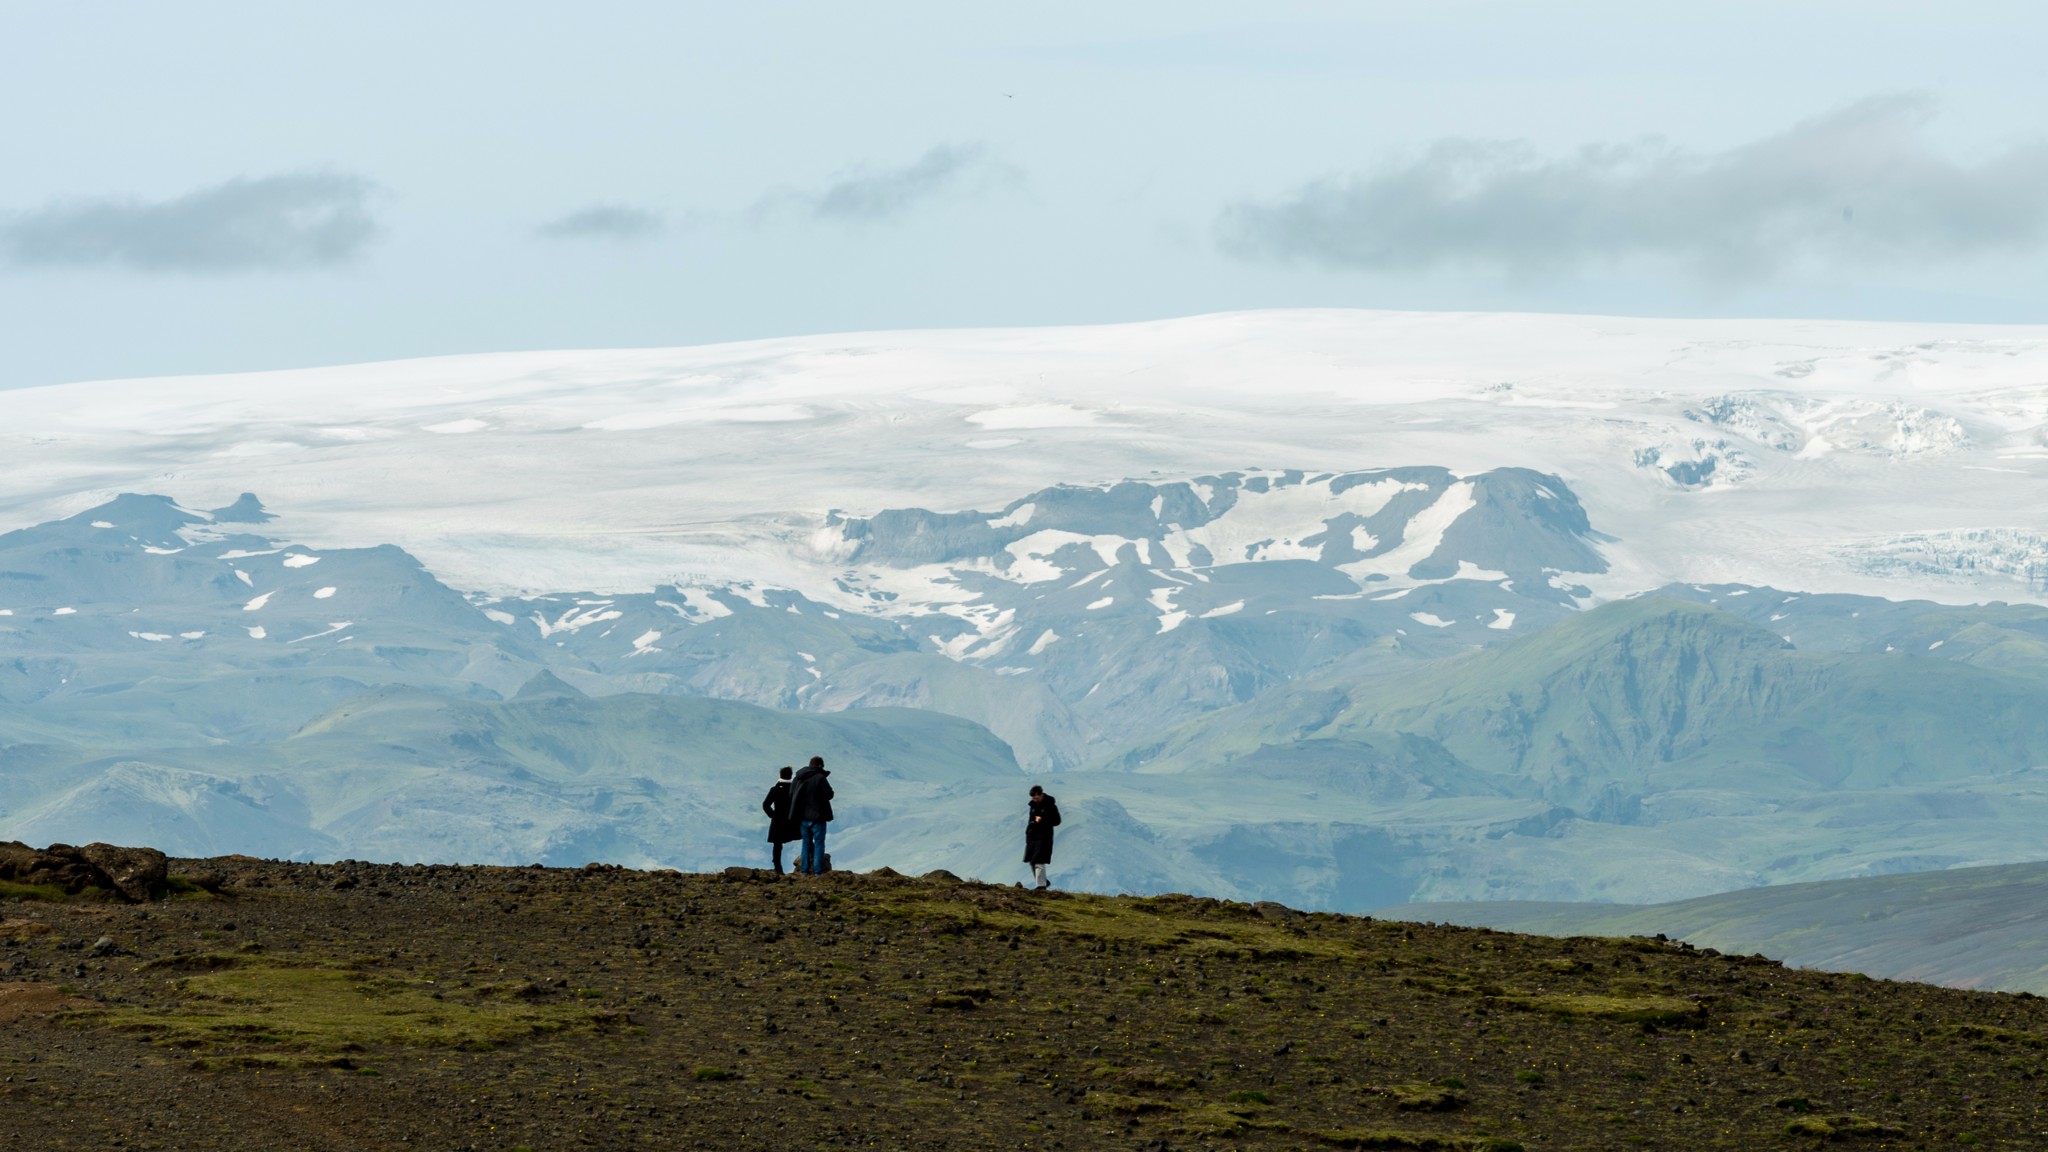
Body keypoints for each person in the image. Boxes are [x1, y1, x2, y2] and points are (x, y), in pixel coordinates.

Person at [788, 755, 834, 875]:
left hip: (802, 817)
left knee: (806, 844)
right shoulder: (820, 778)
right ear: (820, 766)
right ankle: (818, 872)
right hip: (818, 817)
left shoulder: (798, 778)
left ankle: (804, 871)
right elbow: (829, 794)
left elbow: (791, 794)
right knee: (819, 844)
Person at [761, 766, 798, 874]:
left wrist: (773, 815)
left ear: (780, 775)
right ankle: (808, 863)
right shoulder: (794, 789)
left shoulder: (775, 789)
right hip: (792, 820)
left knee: (777, 845)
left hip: (778, 821)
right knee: (805, 838)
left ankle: (778, 868)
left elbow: (765, 804)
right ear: (791, 776)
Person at [1024, 784, 1061, 890]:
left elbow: (1057, 821)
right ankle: (1044, 882)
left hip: (1044, 837)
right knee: (1032, 862)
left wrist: (1043, 820)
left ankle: (1041, 886)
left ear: (1041, 795)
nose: (1034, 800)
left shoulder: (1050, 806)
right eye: (1033, 798)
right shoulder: (1033, 806)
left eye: (1036, 798)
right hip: (1032, 837)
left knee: (1039, 860)